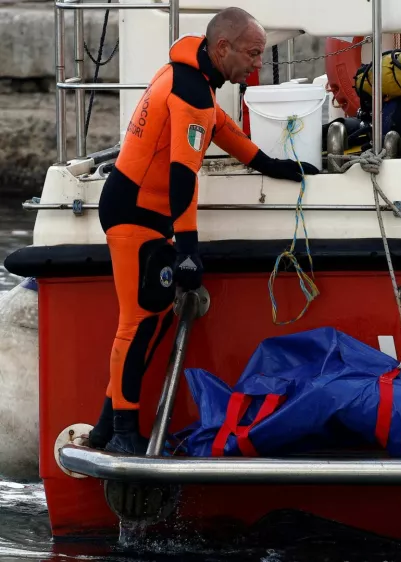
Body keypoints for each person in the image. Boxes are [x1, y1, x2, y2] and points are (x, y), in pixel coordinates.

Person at [86, 7, 320, 454]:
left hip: (145, 211)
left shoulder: (195, 79)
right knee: (138, 322)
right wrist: (188, 249)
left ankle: (105, 427)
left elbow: (223, 129)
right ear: (223, 47)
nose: (256, 62)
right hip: (136, 212)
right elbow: (182, 176)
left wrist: (274, 166)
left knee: (150, 321)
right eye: (252, 54)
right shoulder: (192, 89)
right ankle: (122, 431)